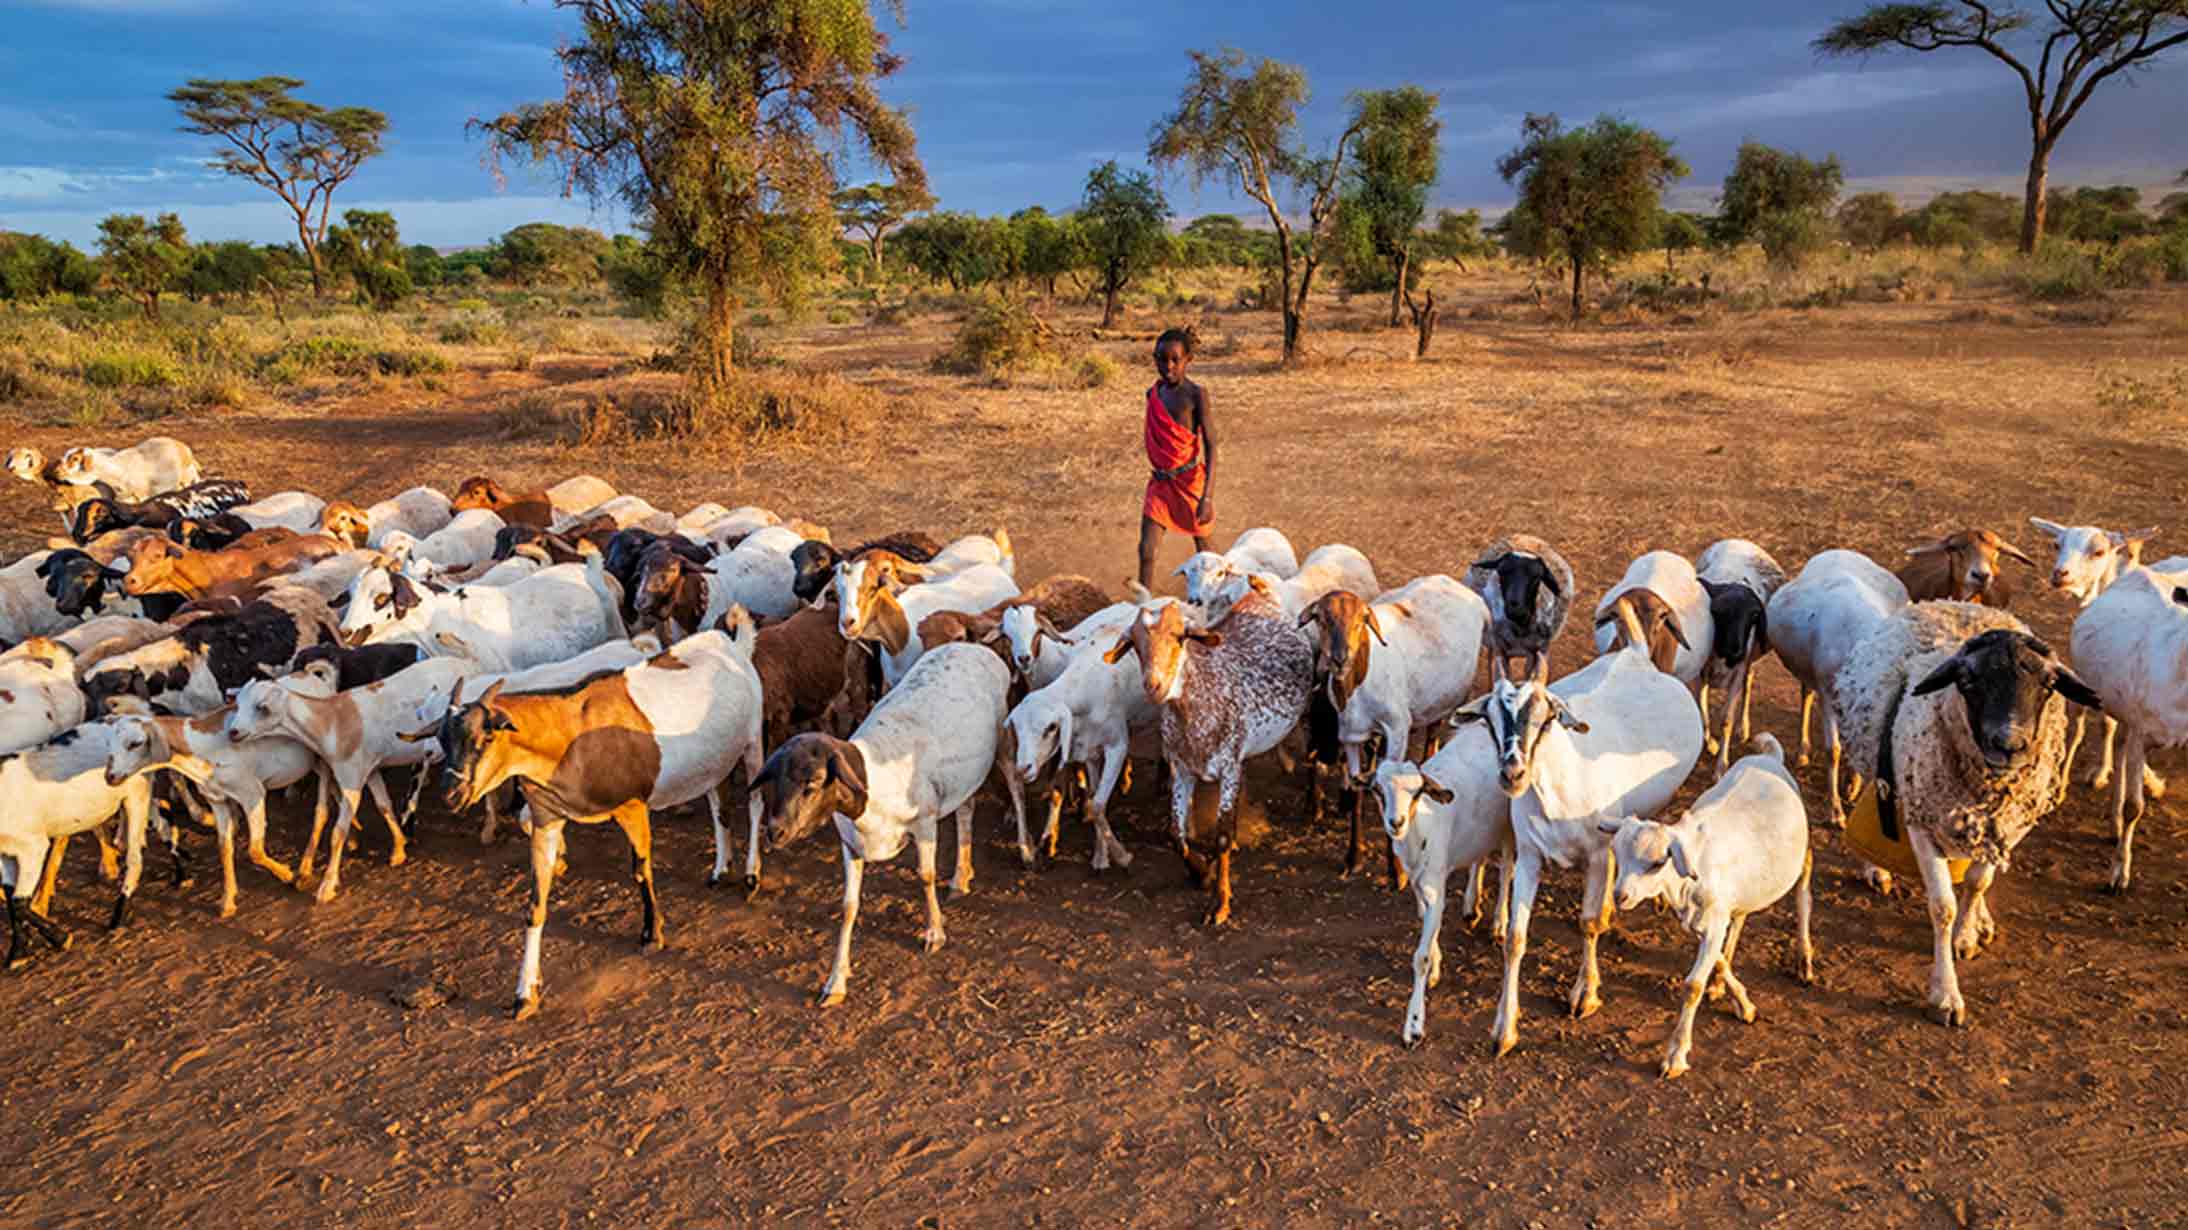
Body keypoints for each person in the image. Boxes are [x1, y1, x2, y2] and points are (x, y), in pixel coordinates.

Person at [1137, 326, 1216, 590]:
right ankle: (1142, 608)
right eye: (1161, 359)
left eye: (1175, 360)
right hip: (1160, 484)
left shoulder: (1196, 395)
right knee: (1146, 551)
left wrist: (1207, 497)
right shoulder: (1153, 394)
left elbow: (1212, 446)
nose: (1167, 366)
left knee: (1206, 553)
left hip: (1190, 481)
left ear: (1188, 360)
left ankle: (1220, 600)